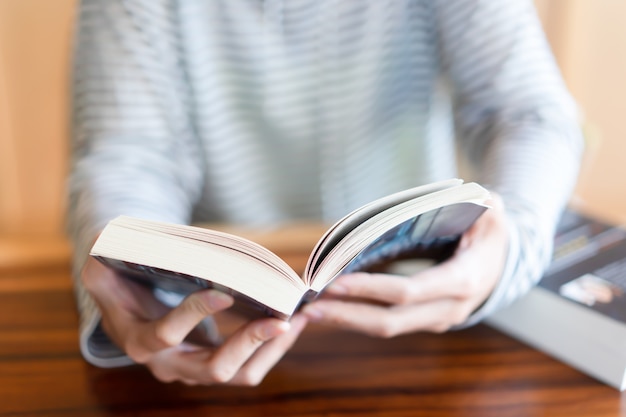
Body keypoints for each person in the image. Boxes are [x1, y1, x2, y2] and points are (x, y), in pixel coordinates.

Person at [67, 0, 584, 385]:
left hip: (422, 305)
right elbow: (129, 154)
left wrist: (509, 244)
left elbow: (527, 114)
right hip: (220, 308)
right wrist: (128, 289)